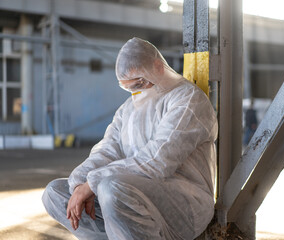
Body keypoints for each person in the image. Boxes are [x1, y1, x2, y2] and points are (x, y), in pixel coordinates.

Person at [42, 37, 218, 240]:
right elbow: (108, 149)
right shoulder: (128, 110)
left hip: (185, 202)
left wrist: (92, 184)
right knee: (55, 193)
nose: (137, 91)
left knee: (112, 188)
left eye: (140, 82)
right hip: (130, 192)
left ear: (158, 67)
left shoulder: (187, 100)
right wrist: (80, 183)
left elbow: (157, 161)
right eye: (130, 87)